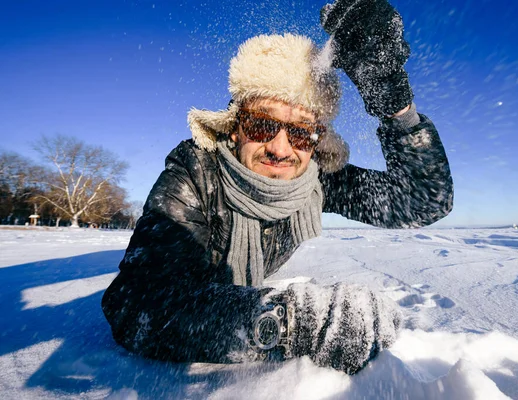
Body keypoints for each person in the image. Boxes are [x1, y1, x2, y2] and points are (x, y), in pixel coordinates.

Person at [102, 0, 453, 375]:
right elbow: (138, 304)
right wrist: (288, 321)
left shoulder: (312, 181)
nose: (281, 148)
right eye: (262, 125)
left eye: (301, 132)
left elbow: (420, 202)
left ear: (318, 140)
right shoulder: (197, 171)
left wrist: (394, 102)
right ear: (235, 126)